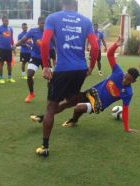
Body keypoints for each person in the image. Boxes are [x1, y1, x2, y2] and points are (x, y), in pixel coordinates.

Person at [35, 0, 99, 157]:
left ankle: (44, 147)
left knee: (50, 107)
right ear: (76, 4)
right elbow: (95, 47)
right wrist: (91, 66)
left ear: (60, 2)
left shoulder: (53, 18)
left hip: (63, 69)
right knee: (72, 99)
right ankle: (72, 102)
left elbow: (44, 43)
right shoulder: (86, 21)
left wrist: (45, 66)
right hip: (80, 69)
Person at [15, 16, 49, 103]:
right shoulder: (33, 31)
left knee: (50, 78)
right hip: (35, 57)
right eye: (42, 23)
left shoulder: (49, 32)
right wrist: (15, 45)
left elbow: (56, 43)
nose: (44, 25)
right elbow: (23, 39)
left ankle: (52, 96)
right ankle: (31, 94)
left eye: (45, 23)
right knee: (29, 74)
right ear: (38, 23)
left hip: (46, 58)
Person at [0, 16, 16, 84]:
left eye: (7, 21)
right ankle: (1, 78)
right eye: (5, 21)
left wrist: (13, 47)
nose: (6, 22)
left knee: (9, 64)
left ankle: (9, 78)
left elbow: (11, 39)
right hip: (2, 49)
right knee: (1, 63)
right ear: (2, 21)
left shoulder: (10, 29)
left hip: (9, 49)